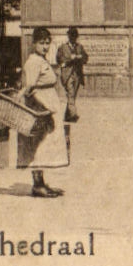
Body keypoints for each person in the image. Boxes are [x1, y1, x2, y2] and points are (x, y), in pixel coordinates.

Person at [18, 26, 69, 197]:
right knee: (39, 146)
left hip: (49, 105)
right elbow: (29, 88)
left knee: (46, 145)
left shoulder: (42, 60)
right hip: (41, 107)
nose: (45, 47)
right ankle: (37, 185)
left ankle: (41, 183)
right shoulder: (33, 62)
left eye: (47, 43)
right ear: (34, 44)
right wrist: (43, 110)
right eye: (41, 43)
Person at [56, 25, 88, 120]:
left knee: (73, 95)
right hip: (67, 74)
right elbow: (58, 59)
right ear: (68, 36)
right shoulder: (62, 47)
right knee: (70, 93)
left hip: (77, 74)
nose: (73, 38)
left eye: (75, 36)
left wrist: (80, 57)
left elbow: (86, 58)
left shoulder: (80, 47)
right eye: (71, 35)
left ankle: (67, 115)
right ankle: (73, 114)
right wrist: (70, 58)